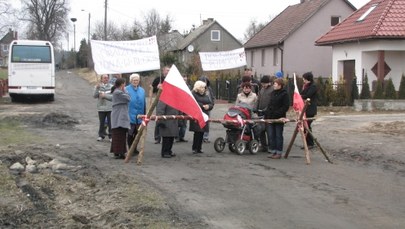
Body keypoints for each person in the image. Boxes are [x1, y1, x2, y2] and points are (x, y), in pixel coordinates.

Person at [265, 78, 290, 159]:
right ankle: (273, 151)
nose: (273, 85)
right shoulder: (273, 93)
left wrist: (277, 113)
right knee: (271, 135)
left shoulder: (284, 94)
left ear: (280, 85)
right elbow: (270, 104)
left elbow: (285, 106)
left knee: (278, 135)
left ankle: (279, 152)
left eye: (275, 84)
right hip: (271, 118)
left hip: (279, 118)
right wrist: (267, 114)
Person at [189, 80, 214, 154]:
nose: (204, 88)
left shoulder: (205, 94)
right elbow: (193, 103)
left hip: (205, 115)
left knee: (202, 132)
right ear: (198, 87)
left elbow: (211, 103)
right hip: (197, 115)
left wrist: (208, 106)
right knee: (197, 132)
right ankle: (194, 148)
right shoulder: (193, 93)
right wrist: (202, 106)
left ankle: (199, 148)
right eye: (202, 87)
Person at [110, 78, 131, 159]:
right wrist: (125, 90)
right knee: (119, 134)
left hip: (119, 115)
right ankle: (120, 152)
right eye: (124, 84)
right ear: (122, 84)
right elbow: (128, 98)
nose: (125, 86)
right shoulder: (118, 92)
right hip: (119, 115)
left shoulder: (117, 91)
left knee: (119, 134)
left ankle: (118, 152)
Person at [126, 73, 146, 154]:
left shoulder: (142, 90)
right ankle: (130, 148)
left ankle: (134, 148)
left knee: (138, 133)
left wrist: (144, 114)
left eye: (137, 80)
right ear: (131, 81)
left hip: (140, 115)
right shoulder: (126, 89)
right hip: (130, 115)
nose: (135, 81)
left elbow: (144, 103)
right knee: (130, 133)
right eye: (134, 80)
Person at [152, 66, 171, 144]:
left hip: (169, 101)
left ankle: (168, 136)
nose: (168, 72)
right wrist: (157, 87)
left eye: (169, 70)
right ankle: (157, 137)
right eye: (167, 70)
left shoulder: (172, 79)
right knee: (159, 118)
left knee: (169, 119)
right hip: (160, 100)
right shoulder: (158, 79)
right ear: (163, 71)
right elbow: (153, 89)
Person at [93, 74, 113, 142]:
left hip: (110, 108)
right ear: (101, 79)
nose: (106, 79)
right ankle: (101, 135)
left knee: (111, 123)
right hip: (101, 108)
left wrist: (105, 95)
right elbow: (94, 96)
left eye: (107, 78)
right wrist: (97, 88)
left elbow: (113, 96)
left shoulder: (112, 87)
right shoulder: (98, 86)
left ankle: (111, 136)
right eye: (104, 78)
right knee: (102, 122)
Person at [300, 72, 318, 149]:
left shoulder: (313, 86)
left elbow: (308, 95)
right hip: (304, 109)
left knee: (307, 126)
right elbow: (303, 94)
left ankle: (310, 143)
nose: (303, 80)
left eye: (304, 79)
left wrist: (300, 96)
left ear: (308, 79)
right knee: (304, 126)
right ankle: (307, 143)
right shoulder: (305, 86)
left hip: (310, 109)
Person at [256, 75, 273, 152]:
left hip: (269, 113)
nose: (263, 85)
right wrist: (256, 108)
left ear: (269, 83)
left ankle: (270, 146)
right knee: (261, 130)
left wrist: (266, 109)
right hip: (260, 113)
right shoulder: (261, 90)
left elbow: (272, 102)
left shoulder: (272, 90)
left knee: (269, 131)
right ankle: (264, 146)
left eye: (264, 83)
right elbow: (258, 100)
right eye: (262, 83)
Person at [198, 75, 215, 143]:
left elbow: (212, 97)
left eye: (206, 81)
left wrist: (212, 104)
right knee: (201, 122)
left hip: (208, 108)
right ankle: (200, 136)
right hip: (201, 109)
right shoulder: (198, 89)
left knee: (207, 122)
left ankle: (206, 137)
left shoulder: (209, 89)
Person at [176, 74, 191, 142]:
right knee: (178, 121)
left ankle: (181, 136)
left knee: (184, 123)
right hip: (179, 106)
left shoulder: (189, 87)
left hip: (186, 106)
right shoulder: (177, 86)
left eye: (185, 79)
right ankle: (176, 136)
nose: (184, 80)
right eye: (183, 79)